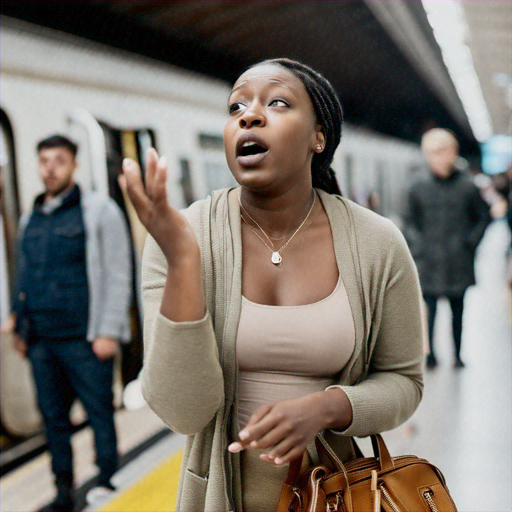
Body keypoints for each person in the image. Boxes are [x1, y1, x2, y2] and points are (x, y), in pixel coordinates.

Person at [123, 58, 424, 511]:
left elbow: (404, 382)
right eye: (236, 107)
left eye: (277, 102)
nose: (249, 114)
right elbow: (183, 410)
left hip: (335, 494)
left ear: (318, 137)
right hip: (220, 498)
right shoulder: (184, 237)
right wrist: (183, 262)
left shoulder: (377, 243)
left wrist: (328, 407)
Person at [9, 135, 132, 511]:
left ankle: (108, 479)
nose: (50, 169)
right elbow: (25, 275)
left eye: (58, 160)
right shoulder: (32, 216)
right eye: (43, 161)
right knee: (53, 420)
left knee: (98, 413)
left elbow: (116, 271)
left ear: (74, 164)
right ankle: (63, 489)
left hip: (86, 338)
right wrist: (19, 324)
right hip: (42, 341)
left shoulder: (99, 210)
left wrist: (109, 330)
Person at [403, 128, 490, 369]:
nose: (437, 158)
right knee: (428, 311)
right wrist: (418, 247)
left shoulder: (468, 187)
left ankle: (457, 354)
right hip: (428, 260)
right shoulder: (417, 186)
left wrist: (469, 244)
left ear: (453, 152)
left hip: (458, 260)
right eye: (432, 153)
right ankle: (429, 354)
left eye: (442, 152)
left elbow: (483, 218)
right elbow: (408, 221)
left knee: (458, 311)